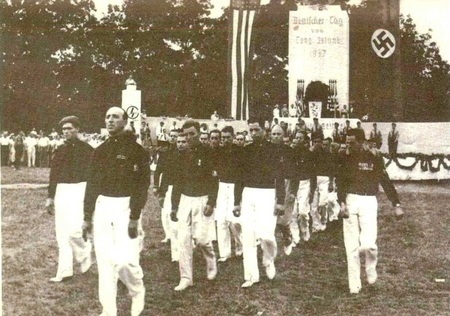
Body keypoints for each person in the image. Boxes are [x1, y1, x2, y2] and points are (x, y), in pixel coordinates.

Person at [82, 107, 149, 316]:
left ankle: (137, 292)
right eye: (107, 116)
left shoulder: (138, 151)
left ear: (125, 121)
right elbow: (91, 185)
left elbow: (142, 186)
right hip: (103, 207)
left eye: (115, 117)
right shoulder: (100, 150)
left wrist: (134, 216)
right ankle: (108, 310)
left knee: (125, 261)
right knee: (105, 262)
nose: (110, 120)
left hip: (126, 207)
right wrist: (87, 216)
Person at [337, 129, 404, 294]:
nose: (348, 145)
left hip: (369, 201)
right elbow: (341, 182)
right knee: (351, 246)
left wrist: (396, 204)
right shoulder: (345, 157)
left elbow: (385, 181)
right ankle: (354, 284)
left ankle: (370, 267)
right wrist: (341, 203)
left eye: (352, 143)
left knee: (369, 244)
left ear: (361, 142)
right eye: (347, 142)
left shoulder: (374, 157)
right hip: (351, 200)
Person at [233, 118, 285, 288]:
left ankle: (268, 260)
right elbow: (239, 178)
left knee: (267, 235)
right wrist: (236, 202)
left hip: (268, 194)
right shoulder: (245, 151)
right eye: (251, 130)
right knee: (248, 235)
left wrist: (280, 201)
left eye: (256, 130)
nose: (253, 133)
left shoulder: (274, 150)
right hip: (248, 193)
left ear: (265, 129)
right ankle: (250, 275)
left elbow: (280, 177)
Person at [170, 120, 218, 291]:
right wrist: (174, 206)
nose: (189, 137)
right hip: (185, 199)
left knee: (202, 239)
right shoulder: (180, 154)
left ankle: (211, 262)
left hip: (203, 199)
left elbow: (214, 180)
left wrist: (211, 202)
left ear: (199, 133)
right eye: (186, 134)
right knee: (183, 240)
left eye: (192, 134)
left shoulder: (209, 152)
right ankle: (186, 277)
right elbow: (177, 182)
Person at [46, 116, 93, 282]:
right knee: (62, 234)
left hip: (80, 189)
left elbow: (93, 175)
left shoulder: (87, 150)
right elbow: (54, 175)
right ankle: (64, 271)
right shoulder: (59, 150)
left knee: (75, 230)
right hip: (62, 190)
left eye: (69, 128)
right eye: (64, 129)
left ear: (77, 129)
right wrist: (50, 197)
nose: (66, 132)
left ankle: (85, 251)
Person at [214, 126, 243, 262]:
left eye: (227, 137)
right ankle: (224, 253)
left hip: (235, 186)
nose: (225, 140)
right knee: (221, 221)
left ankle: (240, 247)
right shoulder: (217, 151)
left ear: (233, 137)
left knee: (235, 221)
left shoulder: (240, 151)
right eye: (223, 137)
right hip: (221, 186)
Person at [154, 128, 180, 262]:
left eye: (176, 136)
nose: (174, 139)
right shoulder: (164, 154)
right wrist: (158, 189)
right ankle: (173, 246)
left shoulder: (183, 153)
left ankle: (184, 245)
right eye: (172, 136)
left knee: (179, 218)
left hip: (181, 188)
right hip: (168, 187)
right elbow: (159, 172)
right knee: (167, 214)